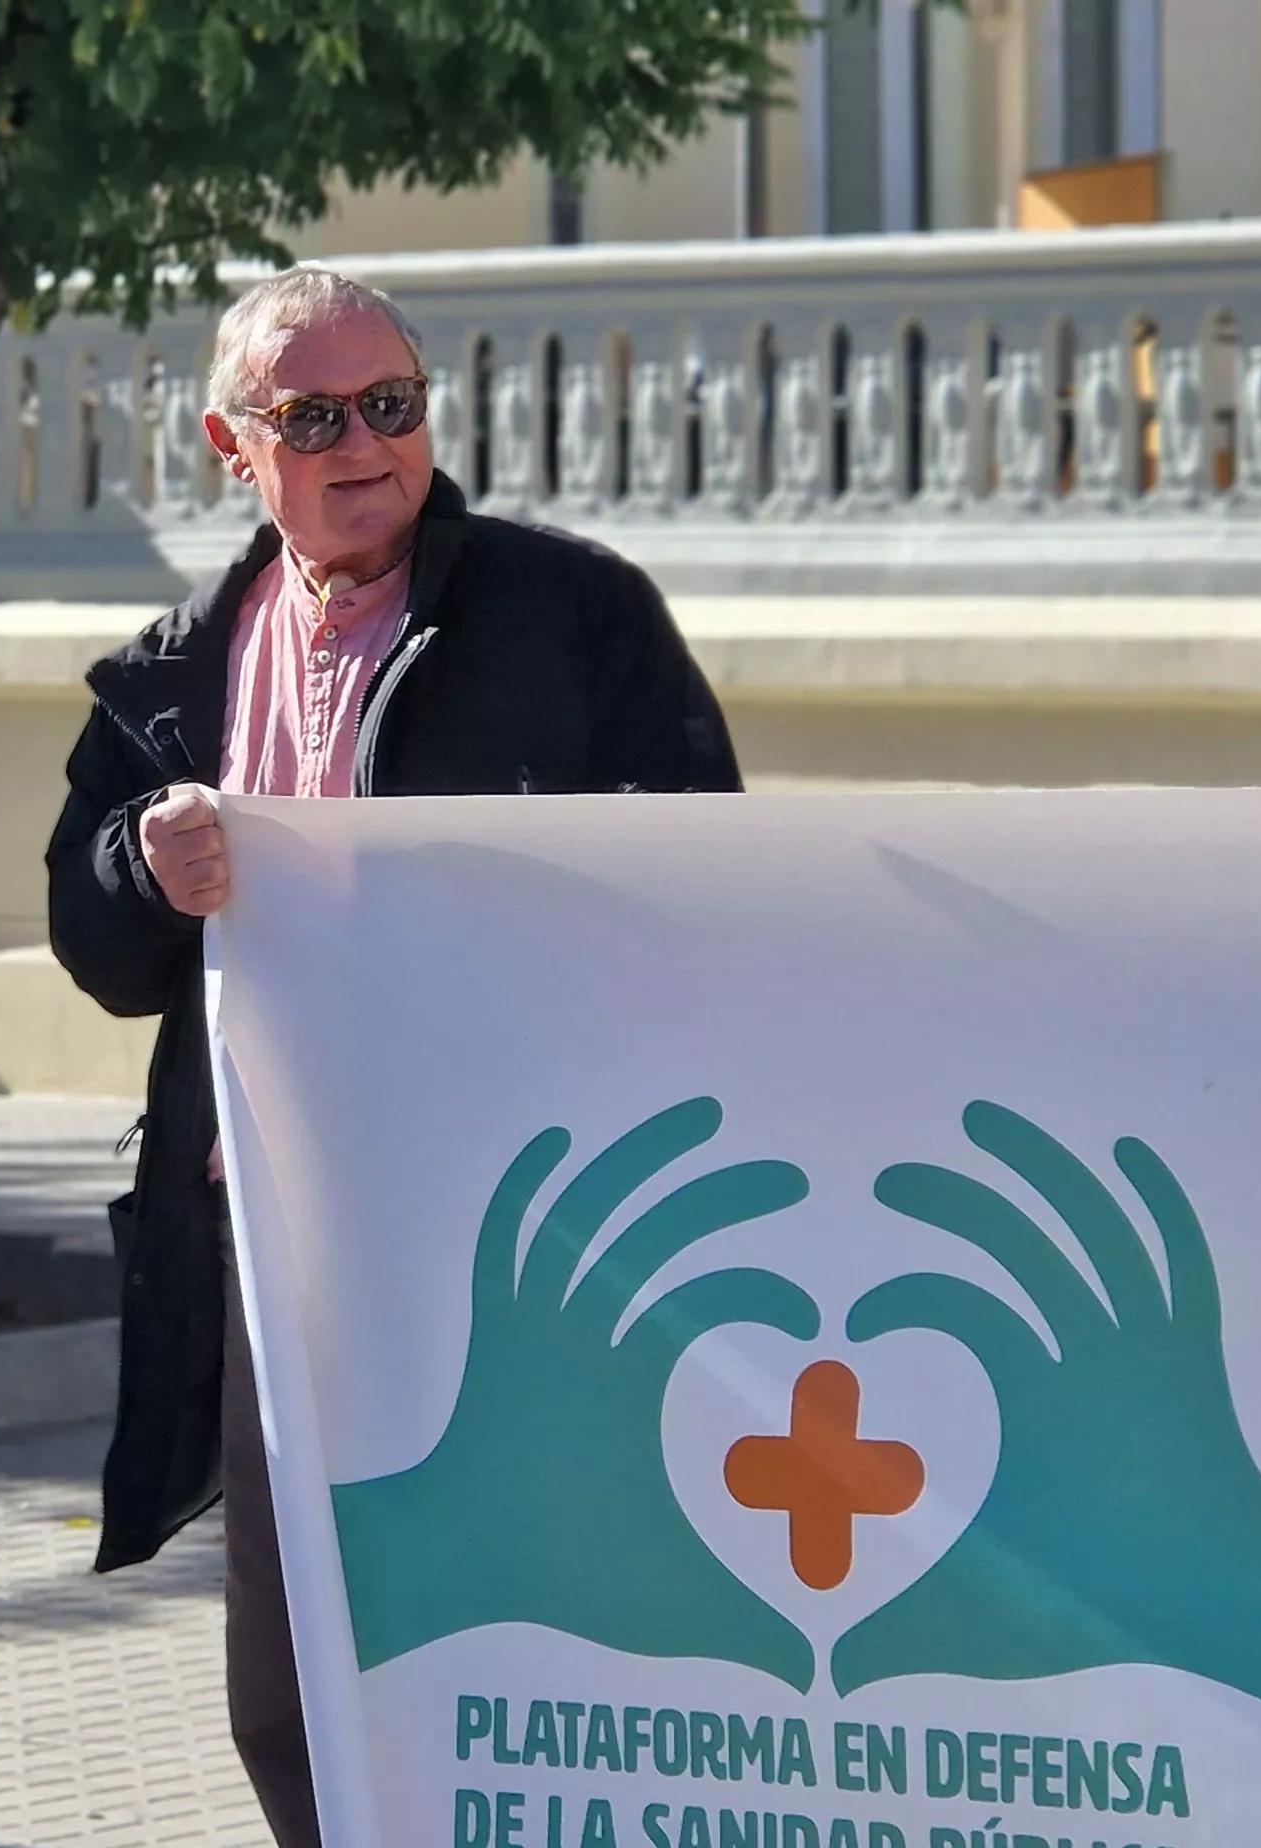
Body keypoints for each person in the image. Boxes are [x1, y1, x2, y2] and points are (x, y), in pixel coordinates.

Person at [41, 266, 744, 1846]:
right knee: (285, 1689)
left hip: (520, 1235)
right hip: (269, 1236)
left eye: (393, 405)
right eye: (315, 416)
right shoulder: (178, 661)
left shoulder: (573, 616)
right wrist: (144, 874)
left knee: (531, 1651)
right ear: (235, 448)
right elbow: (90, 944)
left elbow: (704, 876)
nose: (364, 442)